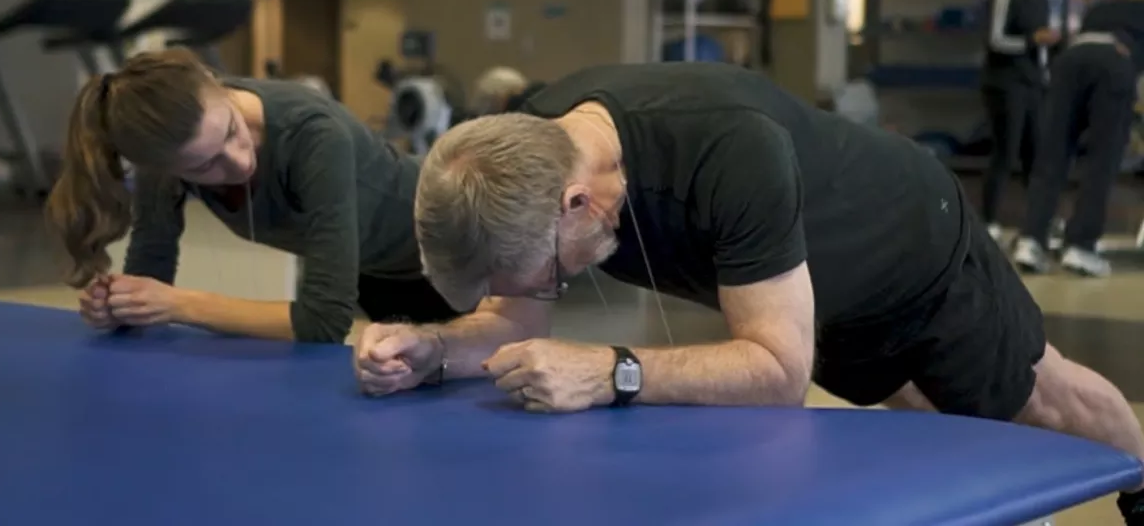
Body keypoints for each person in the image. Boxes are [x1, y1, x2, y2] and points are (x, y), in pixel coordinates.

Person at [352, 61, 1144, 524]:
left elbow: (778, 374)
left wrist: (614, 371)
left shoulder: (728, 149)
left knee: (1037, 400)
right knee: (937, 436)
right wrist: (435, 348)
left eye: (555, 274)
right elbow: (509, 318)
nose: (555, 290)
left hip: (902, 245)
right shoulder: (528, 152)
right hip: (798, 293)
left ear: (576, 204)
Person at [47, 48, 460, 344]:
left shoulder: (315, 135)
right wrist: (122, 305)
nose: (238, 162)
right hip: (376, 271)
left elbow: (324, 321)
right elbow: (150, 275)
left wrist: (179, 305)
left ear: (215, 82)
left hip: (466, 250)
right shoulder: (166, 155)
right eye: (203, 167)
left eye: (230, 130)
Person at [1014, 0, 1144, 277]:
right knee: (1102, 159)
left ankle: (1031, 239)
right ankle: (1081, 246)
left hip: (1069, 61)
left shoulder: (1102, 8)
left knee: (1052, 155)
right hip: (1114, 61)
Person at [980, 0, 1068, 240]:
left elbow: (1040, 47)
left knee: (1037, 155)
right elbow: (995, 39)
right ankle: (988, 221)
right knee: (1006, 153)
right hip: (1005, 84)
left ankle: (1038, 222)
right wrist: (1033, 39)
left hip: (1033, 85)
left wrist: (1045, 61)